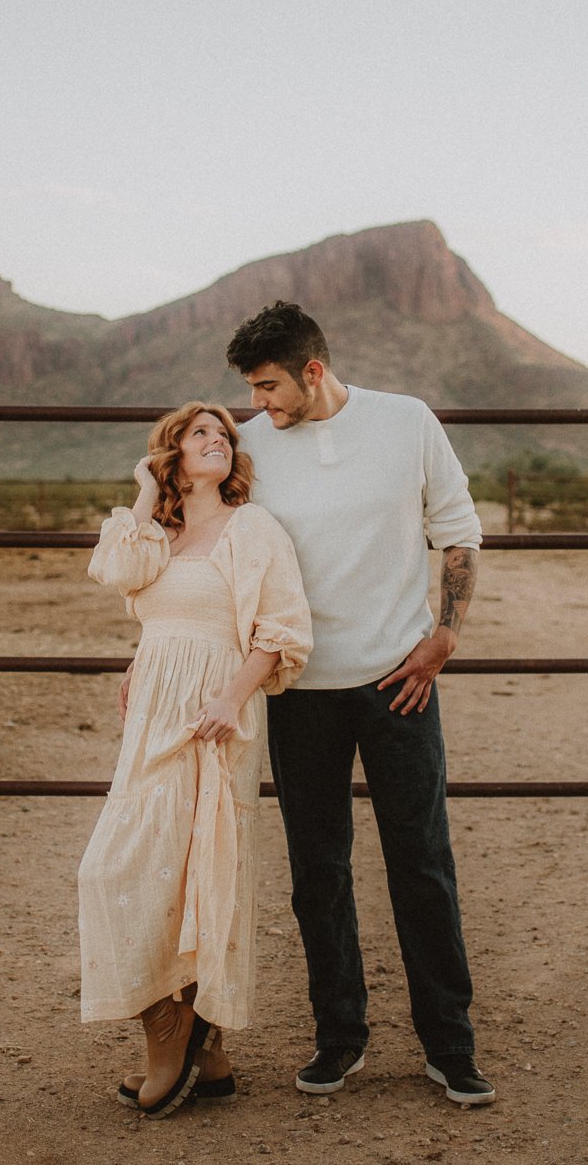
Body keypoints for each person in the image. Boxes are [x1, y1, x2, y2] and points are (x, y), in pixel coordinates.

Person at [225, 301, 496, 1106]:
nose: (259, 404)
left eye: (269, 386)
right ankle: (339, 1038)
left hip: (397, 678)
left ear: (313, 370)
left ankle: (450, 1043)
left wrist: (445, 633)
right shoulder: (247, 447)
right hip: (299, 686)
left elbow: (458, 528)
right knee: (318, 869)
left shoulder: (407, 422)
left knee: (422, 861)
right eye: (250, 390)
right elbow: (214, 542)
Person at [77, 401, 312, 1118]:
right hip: (153, 711)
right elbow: (115, 569)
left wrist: (230, 700)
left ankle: (176, 1027)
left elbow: (279, 629)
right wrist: (147, 492)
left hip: (216, 714)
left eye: (224, 435)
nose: (216, 441)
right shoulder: (159, 533)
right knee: (122, 862)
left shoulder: (254, 527)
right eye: (198, 434)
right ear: (171, 453)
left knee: (198, 861)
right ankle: (200, 1047)